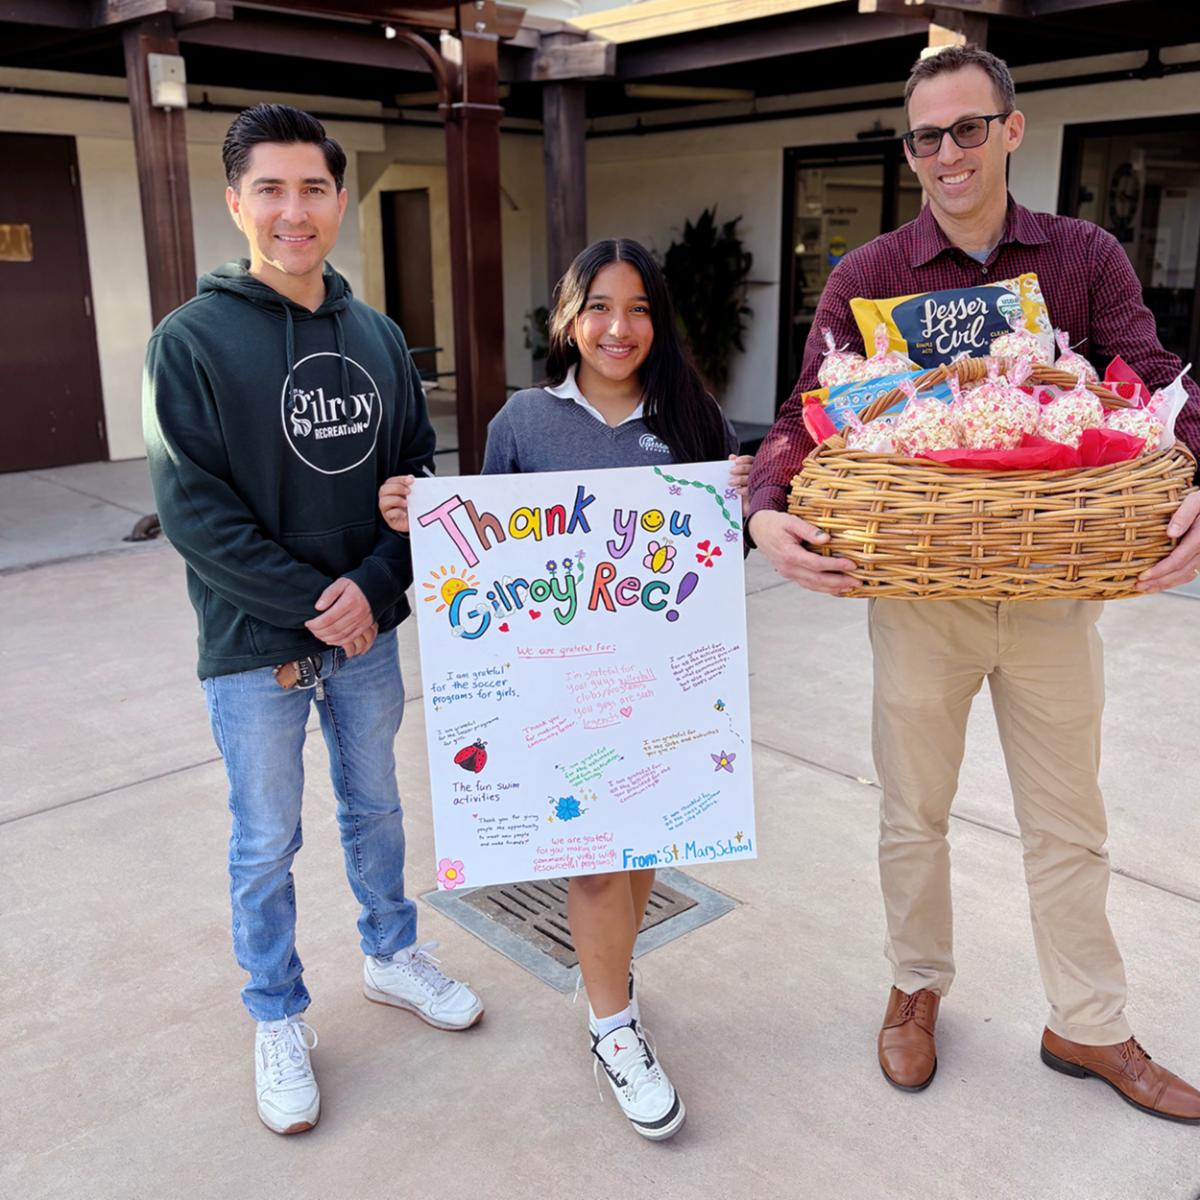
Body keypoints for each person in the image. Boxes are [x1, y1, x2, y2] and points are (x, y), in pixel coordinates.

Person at [748, 46, 1200, 1121]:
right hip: (918, 595)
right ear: (909, 151)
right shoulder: (869, 278)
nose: (947, 154)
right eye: (925, 137)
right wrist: (765, 509)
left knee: (1069, 820)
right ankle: (915, 990)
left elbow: (1154, 381)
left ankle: (1088, 1024)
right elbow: (799, 417)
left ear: (1012, 128)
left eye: (966, 129)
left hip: (1052, 592)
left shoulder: (1084, 258)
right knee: (912, 811)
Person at [143, 104, 483, 1137]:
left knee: (378, 808)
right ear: (237, 201)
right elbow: (194, 512)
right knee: (265, 839)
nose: (296, 211)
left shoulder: (376, 336)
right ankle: (278, 1013)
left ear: (340, 201)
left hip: (368, 637)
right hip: (255, 652)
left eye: (314, 189)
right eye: (272, 189)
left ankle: (390, 955)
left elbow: (416, 479)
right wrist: (313, 605)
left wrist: (374, 592)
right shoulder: (189, 342)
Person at [380, 238, 753, 1140]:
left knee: (642, 845)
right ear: (568, 318)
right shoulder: (523, 422)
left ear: (658, 323)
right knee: (593, 854)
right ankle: (613, 1029)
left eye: (637, 309)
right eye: (598, 308)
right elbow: (483, 546)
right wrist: (422, 520)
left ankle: (612, 985)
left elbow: (720, 552)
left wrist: (738, 498)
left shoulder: (694, 414)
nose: (617, 328)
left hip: (662, 685)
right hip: (562, 695)